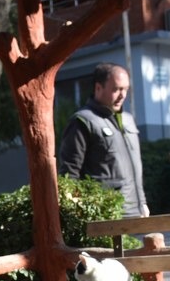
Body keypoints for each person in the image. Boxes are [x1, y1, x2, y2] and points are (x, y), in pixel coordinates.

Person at [58, 61, 150, 219]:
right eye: (116, 89)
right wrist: (76, 212)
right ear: (98, 88)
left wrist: (143, 203)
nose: (123, 96)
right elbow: (69, 174)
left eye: (126, 89)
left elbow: (135, 169)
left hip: (136, 214)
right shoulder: (83, 121)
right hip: (105, 216)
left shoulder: (128, 120)